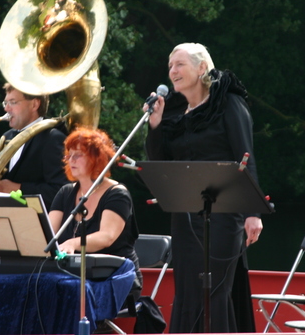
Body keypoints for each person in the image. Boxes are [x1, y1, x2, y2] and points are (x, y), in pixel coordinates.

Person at [144, 43, 263, 333]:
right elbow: (162, 164)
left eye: (180, 64)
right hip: (185, 215)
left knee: (213, 290)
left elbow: (245, 156)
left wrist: (252, 212)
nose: (172, 71)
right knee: (187, 291)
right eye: (170, 65)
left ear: (201, 68)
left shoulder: (229, 102)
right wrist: (156, 125)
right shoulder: (176, 113)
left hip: (224, 214)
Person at [49, 127, 143, 301]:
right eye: (68, 155)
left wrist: (72, 243)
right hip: (72, 276)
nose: (71, 160)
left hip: (115, 279)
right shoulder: (65, 192)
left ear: (96, 158)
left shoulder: (117, 194)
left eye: (78, 155)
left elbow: (106, 237)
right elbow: (48, 233)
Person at [0, 83, 68, 209]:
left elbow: (62, 191)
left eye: (13, 102)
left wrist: (19, 188)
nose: (6, 109)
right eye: (5, 103)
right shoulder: (7, 136)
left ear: (34, 104)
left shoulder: (52, 138)